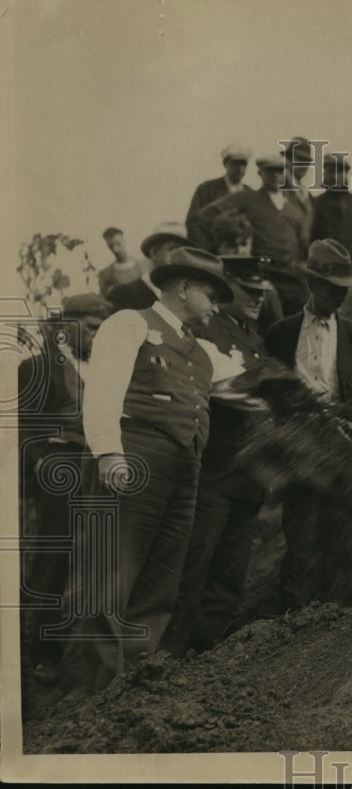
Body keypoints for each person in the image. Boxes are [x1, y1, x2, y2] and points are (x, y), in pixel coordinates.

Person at [80, 247, 234, 693]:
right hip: (136, 456)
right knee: (112, 572)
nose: (216, 306)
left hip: (185, 467)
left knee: (161, 578)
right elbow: (103, 389)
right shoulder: (129, 323)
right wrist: (109, 452)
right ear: (183, 288)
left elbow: (249, 384)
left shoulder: (203, 351)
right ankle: (100, 692)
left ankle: (134, 682)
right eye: (211, 294)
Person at [263, 239, 352, 607]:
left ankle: (341, 630)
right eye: (333, 290)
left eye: (343, 291)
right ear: (312, 286)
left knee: (350, 542)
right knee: (302, 541)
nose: (339, 298)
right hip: (300, 452)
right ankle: (297, 627)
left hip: (349, 451)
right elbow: (268, 398)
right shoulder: (280, 334)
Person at [163, 255, 273, 655]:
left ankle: (203, 656)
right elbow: (225, 389)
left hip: (248, 476)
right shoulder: (211, 331)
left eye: (263, 292)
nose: (258, 298)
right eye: (250, 290)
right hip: (215, 472)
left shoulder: (253, 337)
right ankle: (169, 656)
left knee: (230, 575)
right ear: (227, 291)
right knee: (195, 565)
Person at [18, 293, 111, 686]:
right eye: (91, 327)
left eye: (102, 328)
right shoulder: (38, 367)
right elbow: (21, 425)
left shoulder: (108, 369)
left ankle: (96, 652)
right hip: (61, 468)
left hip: (103, 467)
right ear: (67, 328)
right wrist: (40, 462)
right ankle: (44, 652)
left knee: (103, 557)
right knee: (54, 559)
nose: (97, 335)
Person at [195, 154, 308, 316]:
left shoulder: (292, 205)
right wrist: (227, 241)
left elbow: (303, 238)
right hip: (261, 273)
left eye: (280, 171)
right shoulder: (247, 198)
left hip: (290, 278)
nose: (276, 175)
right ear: (260, 173)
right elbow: (207, 214)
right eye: (270, 171)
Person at [311, 152, 352, 269]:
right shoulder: (314, 204)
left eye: (340, 172)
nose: (335, 177)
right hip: (323, 273)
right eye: (331, 172)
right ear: (324, 174)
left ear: (346, 174)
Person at [106, 222, 188, 312]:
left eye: (182, 250)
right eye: (172, 248)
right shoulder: (124, 295)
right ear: (153, 253)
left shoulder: (185, 293)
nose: (179, 255)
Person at [184, 145, 253, 240]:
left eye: (243, 164)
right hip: (212, 251)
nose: (240, 169)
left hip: (243, 251)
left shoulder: (250, 193)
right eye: (235, 164)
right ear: (225, 164)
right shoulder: (206, 189)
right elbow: (193, 223)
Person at [96, 227, 149, 297]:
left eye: (118, 243)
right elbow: (106, 300)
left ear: (124, 241)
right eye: (111, 246)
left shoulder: (144, 264)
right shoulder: (106, 275)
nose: (115, 249)